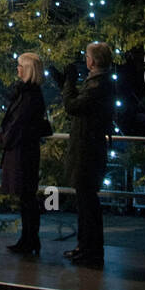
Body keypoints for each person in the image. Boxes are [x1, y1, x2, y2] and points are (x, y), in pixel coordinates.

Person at [62, 41, 114, 266]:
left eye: (87, 57)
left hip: (87, 150)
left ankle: (90, 249)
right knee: (85, 203)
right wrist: (66, 83)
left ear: (93, 60)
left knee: (87, 203)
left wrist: (69, 82)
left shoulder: (97, 85)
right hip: (89, 148)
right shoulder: (98, 83)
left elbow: (73, 107)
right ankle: (85, 246)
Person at [0, 52, 49, 258]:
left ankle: (30, 239)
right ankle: (28, 238)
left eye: (20, 66)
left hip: (23, 151)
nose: (17, 69)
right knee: (26, 197)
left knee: (27, 197)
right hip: (22, 150)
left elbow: (18, 123)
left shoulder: (30, 95)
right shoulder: (26, 93)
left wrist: (4, 140)